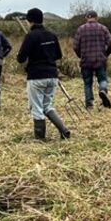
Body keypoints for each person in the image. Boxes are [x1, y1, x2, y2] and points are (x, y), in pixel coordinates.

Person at [17, 8, 70, 140]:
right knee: (47, 105)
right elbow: (58, 55)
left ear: (30, 21)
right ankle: (64, 130)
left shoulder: (30, 36)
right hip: (52, 76)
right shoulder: (52, 35)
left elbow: (21, 58)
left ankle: (40, 139)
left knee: (36, 107)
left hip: (36, 77)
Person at [73, 10, 111, 109]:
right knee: (103, 79)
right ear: (97, 17)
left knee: (87, 83)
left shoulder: (80, 29)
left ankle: (89, 104)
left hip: (86, 60)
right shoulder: (103, 28)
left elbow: (75, 46)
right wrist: (106, 54)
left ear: (87, 17)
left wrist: (80, 56)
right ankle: (103, 90)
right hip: (100, 59)